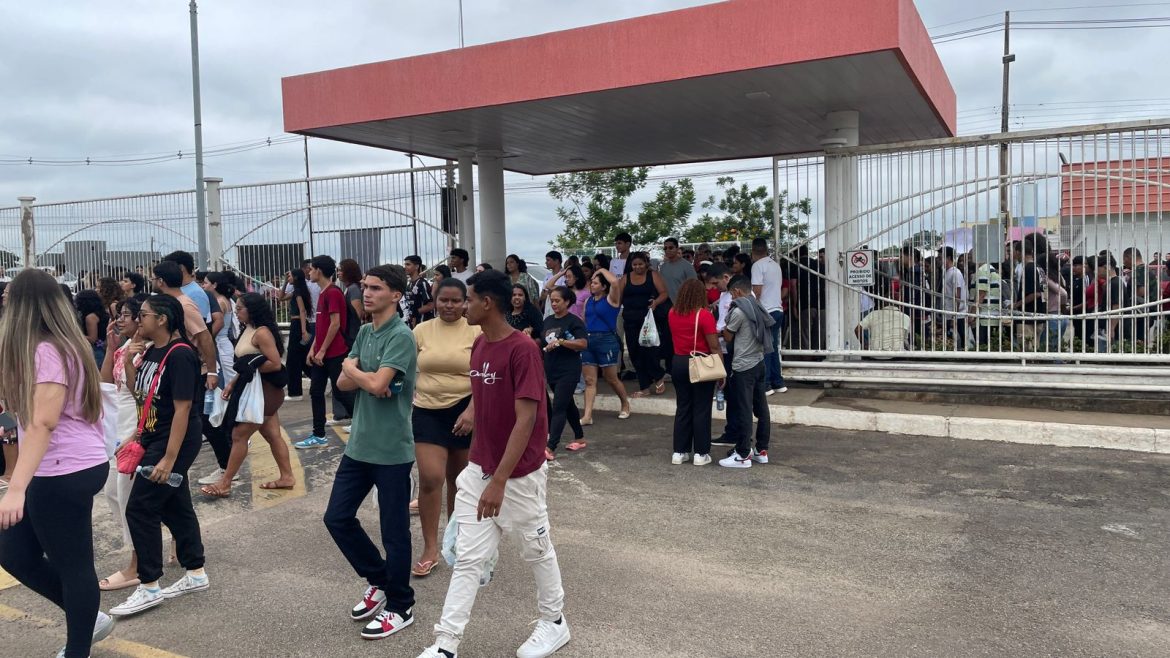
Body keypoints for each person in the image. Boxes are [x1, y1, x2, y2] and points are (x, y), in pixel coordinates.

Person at [416, 269, 569, 658]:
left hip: (518, 476)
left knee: (536, 549)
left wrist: (499, 481)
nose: (463, 306)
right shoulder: (481, 344)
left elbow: (526, 419)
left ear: (487, 303)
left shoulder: (523, 349)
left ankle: (554, 622)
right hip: (479, 470)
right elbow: (484, 398)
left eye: (468, 299)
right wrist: (472, 419)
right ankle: (446, 644)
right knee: (468, 558)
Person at [0, 269, 115, 657]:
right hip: (60, 466)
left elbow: (43, 423)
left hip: (64, 469)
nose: (3, 303)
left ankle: (78, 646)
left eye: (8, 298)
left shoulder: (48, 351)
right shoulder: (50, 347)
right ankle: (87, 617)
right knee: (14, 552)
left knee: (73, 565)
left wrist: (16, 488)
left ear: (24, 305)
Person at [324, 264, 418, 641]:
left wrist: (356, 369)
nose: (367, 293)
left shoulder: (402, 336)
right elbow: (344, 382)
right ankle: (380, 579)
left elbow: (378, 385)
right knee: (337, 518)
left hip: (391, 449)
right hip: (359, 445)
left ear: (396, 295)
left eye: (376, 288)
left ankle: (401, 605)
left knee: (394, 532)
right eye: (365, 286)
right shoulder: (365, 331)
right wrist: (360, 374)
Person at [110, 294, 209, 617]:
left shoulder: (180, 355)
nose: (138, 321)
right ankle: (195, 572)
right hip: (154, 436)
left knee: (140, 508)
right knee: (175, 506)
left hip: (172, 441)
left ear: (162, 319)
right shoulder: (151, 350)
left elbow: (183, 410)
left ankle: (149, 584)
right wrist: (129, 362)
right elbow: (141, 394)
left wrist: (169, 458)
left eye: (143, 315)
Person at [410, 278, 481, 578]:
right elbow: (406, 368)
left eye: (455, 301)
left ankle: (456, 541)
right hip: (426, 411)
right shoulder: (420, 330)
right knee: (431, 478)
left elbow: (484, 377)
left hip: (465, 411)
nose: (449, 306)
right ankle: (430, 548)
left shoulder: (477, 331)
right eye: (443, 300)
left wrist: (472, 411)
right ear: (435, 300)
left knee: (459, 482)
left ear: (465, 302)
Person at [199, 293, 295, 498]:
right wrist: (233, 382)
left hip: (265, 392)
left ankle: (225, 483)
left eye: (240, 308)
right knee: (272, 435)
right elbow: (247, 364)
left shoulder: (262, 333)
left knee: (239, 435)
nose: (236, 312)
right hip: (255, 389)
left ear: (252, 310)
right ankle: (287, 477)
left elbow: (275, 363)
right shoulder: (247, 329)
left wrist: (249, 368)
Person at [98, 297, 146, 592]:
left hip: (134, 422)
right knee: (112, 492)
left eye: (126, 315)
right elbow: (106, 383)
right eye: (118, 315)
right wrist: (111, 348)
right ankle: (168, 541)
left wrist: (137, 433)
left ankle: (138, 562)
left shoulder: (146, 350)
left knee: (126, 494)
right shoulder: (125, 346)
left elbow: (140, 392)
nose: (120, 320)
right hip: (118, 421)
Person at [295, 255, 356, 449]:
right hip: (322, 353)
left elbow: (335, 324)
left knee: (342, 391)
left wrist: (321, 350)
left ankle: (364, 424)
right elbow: (322, 327)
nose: (309, 272)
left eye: (312, 269)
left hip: (335, 352)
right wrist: (313, 349)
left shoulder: (333, 293)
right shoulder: (323, 293)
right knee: (316, 392)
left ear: (319, 271)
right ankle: (318, 434)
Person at [667, 279, 721, 466]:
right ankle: (701, 453)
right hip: (700, 361)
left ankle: (679, 452)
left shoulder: (672, 313)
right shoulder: (704, 315)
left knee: (683, 406)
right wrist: (720, 370)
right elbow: (714, 346)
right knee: (701, 408)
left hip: (678, 361)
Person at [541, 287, 588, 459]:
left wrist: (562, 342)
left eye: (557, 300)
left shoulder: (574, 321)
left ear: (567, 302)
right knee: (568, 404)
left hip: (569, 370)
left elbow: (583, 343)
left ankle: (550, 447)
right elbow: (542, 343)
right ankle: (580, 438)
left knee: (559, 406)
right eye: (552, 301)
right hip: (551, 369)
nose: (554, 304)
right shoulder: (548, 321)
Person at [580, 269, 631, 425]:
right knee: (589, 380)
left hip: (606, 340)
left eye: (595, 283)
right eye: (591, 282)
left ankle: (625, 403)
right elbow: (584, 320)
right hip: (589, 339)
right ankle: (587, 415)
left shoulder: (611, 299)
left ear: (603, 286)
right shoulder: (588, 301)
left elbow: (615, 282)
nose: (592, 285)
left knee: (611, 378)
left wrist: (601, 269)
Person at [621, 252, 669, 397]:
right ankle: (644, 386)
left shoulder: (652, 275)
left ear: (646, 263)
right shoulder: (625, 278)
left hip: (647, 319)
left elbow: (664, 293)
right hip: (630, 319)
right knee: (634, 353)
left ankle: (658, 375)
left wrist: (656, 303)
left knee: (650, 350)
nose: (638, 267)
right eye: (634, 265)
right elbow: (618, 295)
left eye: (640, 264)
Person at [749, 238, 786, 394]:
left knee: (764, 348)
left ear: (753, 251)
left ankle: (766, 384)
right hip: (778, 309)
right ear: (766, 249)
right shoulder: (775, 266)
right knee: (773, 348)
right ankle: (778, 382)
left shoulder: (757, 266)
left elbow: (757, 292)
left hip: (766, 312)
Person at [856, 274, 912, 351]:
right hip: (896, 354)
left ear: (883, 302)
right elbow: (905, 339)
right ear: (899, 304)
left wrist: (864, 344)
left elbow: (857, 329)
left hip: (875, 354)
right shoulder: (906, 318)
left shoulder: (873, 314)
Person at [284, 268, 314, 401]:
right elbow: (280, 297)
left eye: (290, 276)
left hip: (298, 326)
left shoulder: (298, 292)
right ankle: (319, 377)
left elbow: (302, 311)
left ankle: (295, 392)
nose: (288, 277)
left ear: (295, 277)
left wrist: (303, 331)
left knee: (292, 359)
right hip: (297, 325)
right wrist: (285, 283)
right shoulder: (296, 291)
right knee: (302, 357)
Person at [939, 247, 968, 349]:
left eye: (940, 257)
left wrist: (954, 316)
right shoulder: (947, 272)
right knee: (950, 341)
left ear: (948, 258)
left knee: (961, 341)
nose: (938, 260)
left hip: (957, 315)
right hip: (948, 313)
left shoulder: (955, 273)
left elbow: (957, 295)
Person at [75, 289, 109, 364]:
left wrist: (76, 335)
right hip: (102, 348)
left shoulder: (90, 317)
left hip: (96, 351)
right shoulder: (101, 313)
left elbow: (93, 339)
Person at [403, 255, 436, 328]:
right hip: (412, 324)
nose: (405, 267)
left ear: (416, 266)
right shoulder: (409, 284)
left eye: (408, 264)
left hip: (422, 323)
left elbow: (430, 305)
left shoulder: (422, 283)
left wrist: (414, 313)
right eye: (405, 265)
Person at [539, 251, 565, 316]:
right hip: (547, 307)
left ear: (556, 261)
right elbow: (543, 295)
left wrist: (549, 292)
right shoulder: (547, 276)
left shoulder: (564, 275)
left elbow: (563, 292)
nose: (546, 262)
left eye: (548, 260)